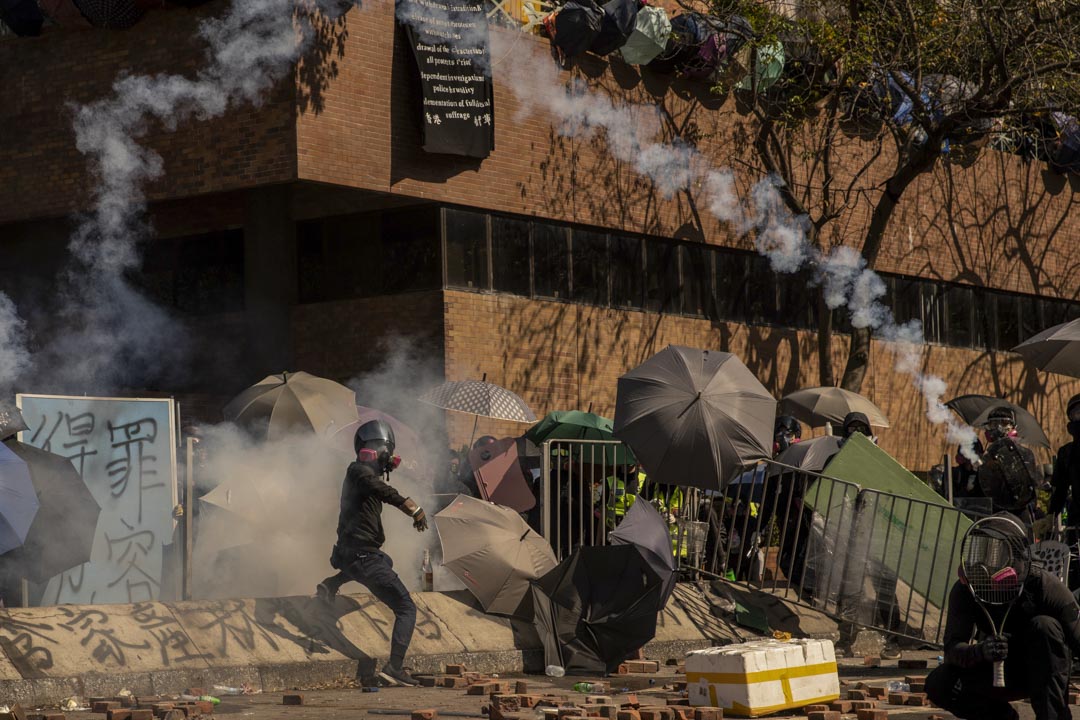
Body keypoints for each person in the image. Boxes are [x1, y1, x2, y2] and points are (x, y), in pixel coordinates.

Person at [925, 512, 1080, 720]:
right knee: (939, 683)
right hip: (995, 670)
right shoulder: (968, 589)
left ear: (1017, 556)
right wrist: (980, 651)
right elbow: (952, 648)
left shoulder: (1045, 587)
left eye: (997, 554)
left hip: (1039, 672)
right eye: (982, 551)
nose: (987, 564)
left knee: (1044, 626)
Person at [316, 420, 429, 687]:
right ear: (369, 450)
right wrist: (411, 506)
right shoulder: (358, 472)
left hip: (354, 555)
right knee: (406, 608)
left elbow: (377, 488)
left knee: (385, 560)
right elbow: (382, 490)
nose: (386, 456)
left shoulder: (364, 478)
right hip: (361, 556)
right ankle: (395, 668)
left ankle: (330, 584)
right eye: (383, 449)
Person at [977, 406, 1040, 525]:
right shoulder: (986, 458)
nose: (998, 428)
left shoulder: (1024, 454)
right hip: (994, 511)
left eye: (1004, 423)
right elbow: (983, 491)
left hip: (1019, 510)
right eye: (993, 424)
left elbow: (1028, 485)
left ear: (1013, 427)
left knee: (1024, 541)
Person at [1049, 394, 1080, 529]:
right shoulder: (1066, 453)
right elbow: (1060, 490)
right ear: (1071, 417)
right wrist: (1050, 517)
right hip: (1077, 521)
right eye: (1078, 413)